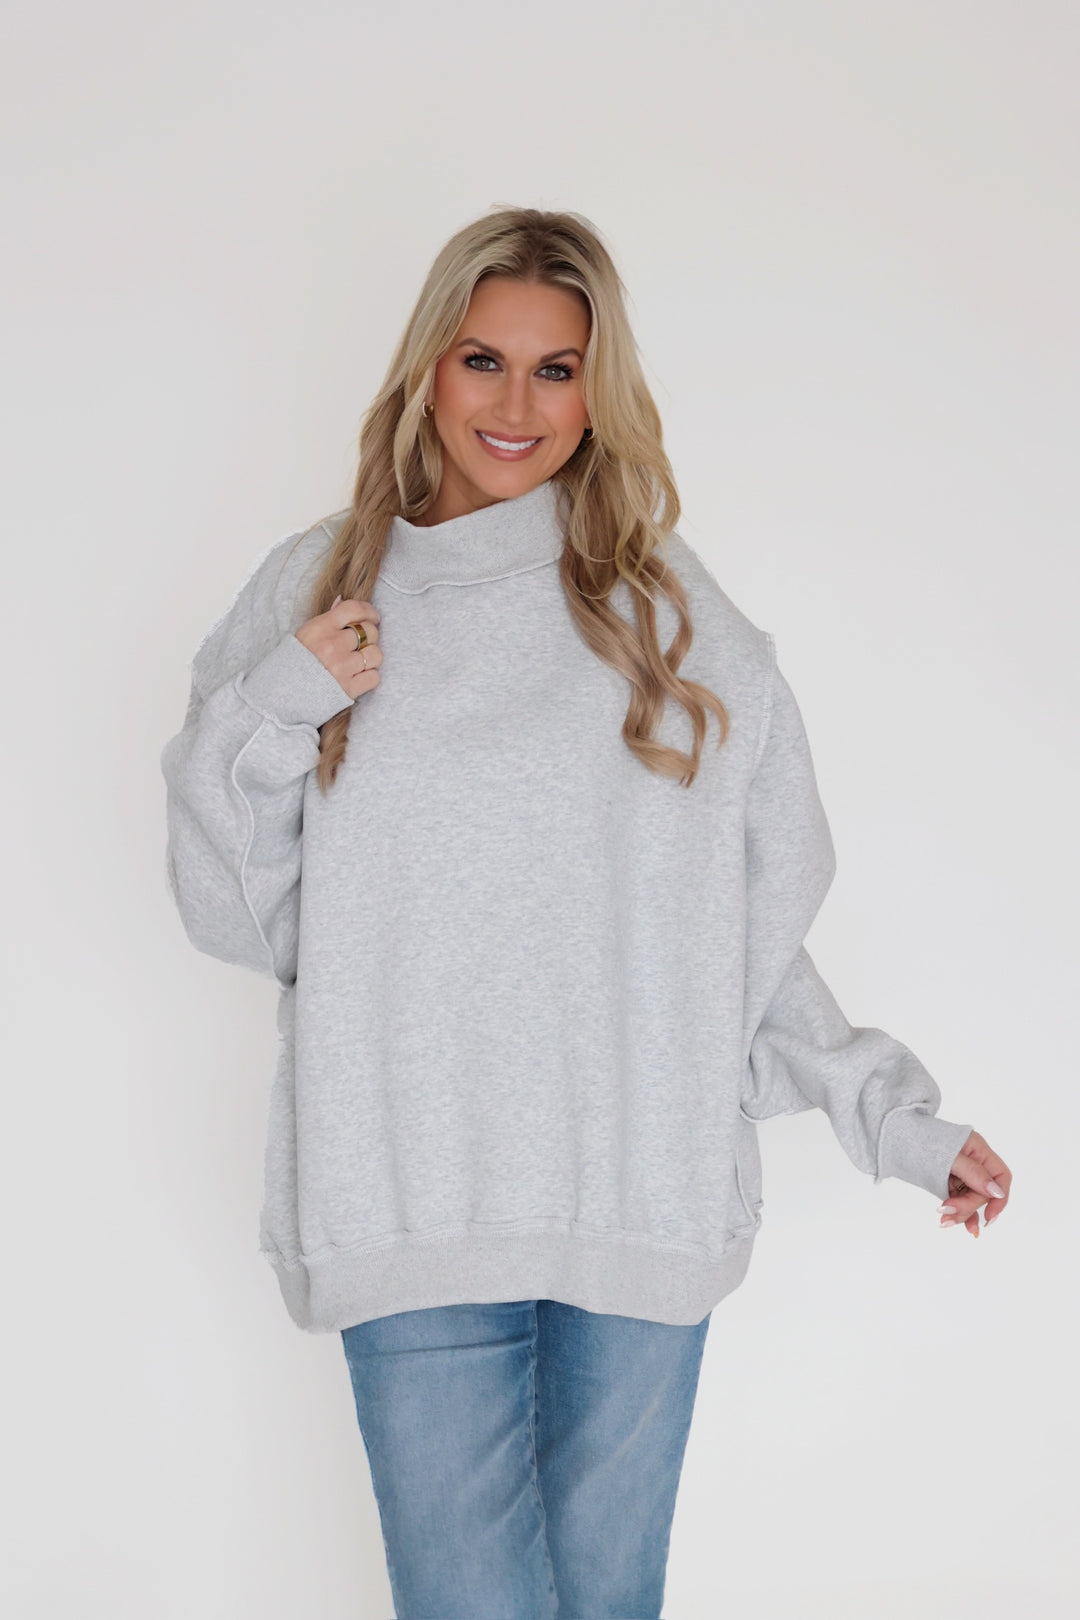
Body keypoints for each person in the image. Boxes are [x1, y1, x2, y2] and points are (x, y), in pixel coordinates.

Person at [159, 205, 1011, 1618]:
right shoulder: (321, 593)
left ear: (598, 391)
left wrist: (888, 1114)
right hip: (409, 1195)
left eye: (557, 369)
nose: (515, 406)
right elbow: (228, 904)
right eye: (482, 360)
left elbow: (731, 926)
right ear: (427, 367)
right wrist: (279, 704)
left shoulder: (665, 611)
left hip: (635, 1195)